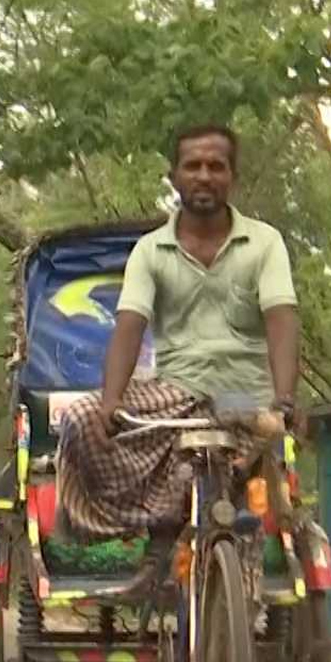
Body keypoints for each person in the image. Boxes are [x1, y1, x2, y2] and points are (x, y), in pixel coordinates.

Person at [54, 123, 300, 548]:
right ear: (175, 177)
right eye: (193, 166)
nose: (204, 175)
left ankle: (231, 552)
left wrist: (284, 399)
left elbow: (282, 319)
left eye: (216, 166)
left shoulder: (265, 243)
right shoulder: (150, 250)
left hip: (242, 396)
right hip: (176, 391)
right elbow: (130, 326)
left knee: (248, 442)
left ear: (232, 178)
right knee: (80, 419)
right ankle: (155, 524)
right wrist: (112, 401)